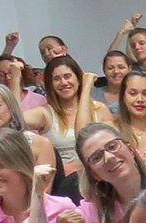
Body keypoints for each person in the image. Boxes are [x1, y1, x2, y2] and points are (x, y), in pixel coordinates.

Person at [23, 55, 106, 183]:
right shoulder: (45, 113)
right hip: (63, 182)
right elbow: (12, 119)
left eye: (67, 76)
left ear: (78, 79)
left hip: (99, 178)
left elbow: (83, 135)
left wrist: (86, 89)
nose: (63, 82)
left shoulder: (99, 109)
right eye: (57, 79)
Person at [94, 50, 131, 116]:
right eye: (110, 68)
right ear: (104, 70)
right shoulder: (92, 93)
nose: (116, 71)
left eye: (121, 67)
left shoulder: (135, 96)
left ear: (129, 69)